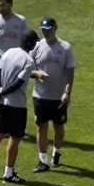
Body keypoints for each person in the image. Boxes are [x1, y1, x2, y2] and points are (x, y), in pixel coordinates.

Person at [0, 29, 49, 183]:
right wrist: (0, 95)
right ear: (32, 44)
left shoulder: (9, 52)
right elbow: (18, 83)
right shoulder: (28, 61)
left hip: (4, 104)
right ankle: (9, 173)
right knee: (15, 138)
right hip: (17, 106)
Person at [30, 17, 76, 172]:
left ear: (55, 28)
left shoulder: (65, 48)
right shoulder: (37, 47)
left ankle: (57, 152)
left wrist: (67, 92)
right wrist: (36, 73)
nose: (45, 32)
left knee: (58, 127)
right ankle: (43, 161)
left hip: (58, 97)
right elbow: (27, 68)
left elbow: (70, 72)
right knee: (41, 127)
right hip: (40, 96)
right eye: (43, 30)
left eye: (48, 29)